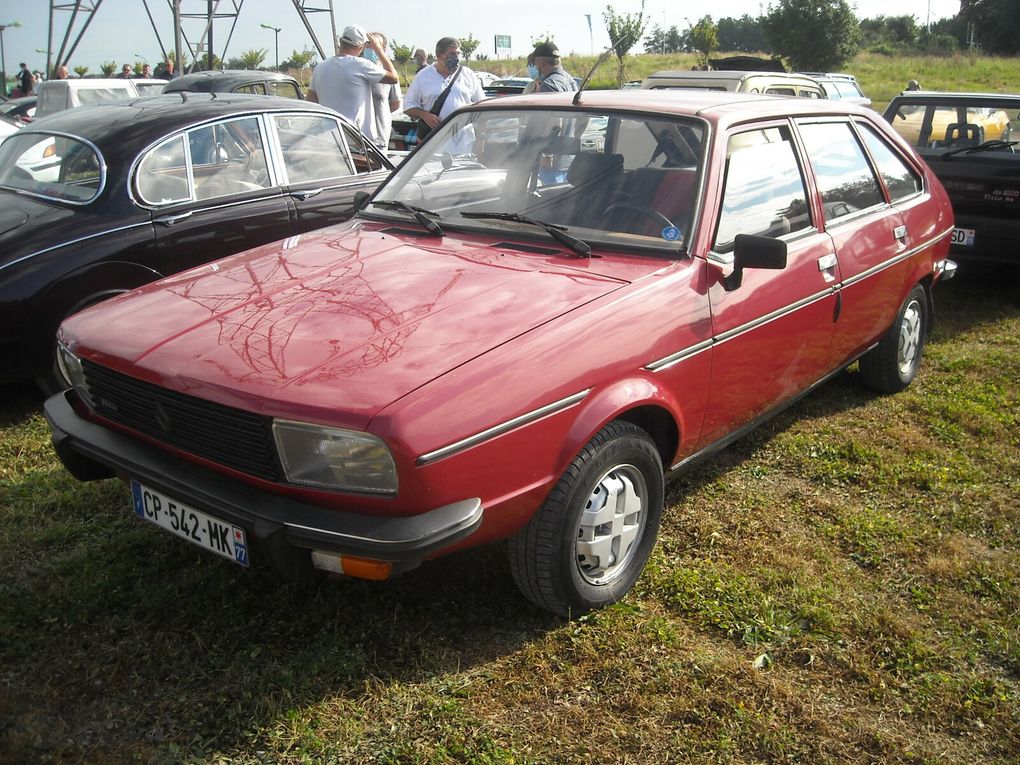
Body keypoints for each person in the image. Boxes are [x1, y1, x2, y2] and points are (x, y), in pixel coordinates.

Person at [306, 25, 399, 147]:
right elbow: (394, 77)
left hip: (329, 139)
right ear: (361, 47)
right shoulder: (361, 65)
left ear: (340, 42)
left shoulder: (320, 68)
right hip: (357, 141)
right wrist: (379, 51)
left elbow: (311, 101)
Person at [403, 36, 484, 150]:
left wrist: (481, 140)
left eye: (458, 54)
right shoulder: (423, 76)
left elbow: (481, 107)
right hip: (433, 146)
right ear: (440, 56)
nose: (456, 58)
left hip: (465, 145)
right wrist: (425, 115)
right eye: (452, 54)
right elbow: (408, 106)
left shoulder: (467, 74)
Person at [364, 32, 402, 151]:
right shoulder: (358, 68)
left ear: (383, 49)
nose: (370, 48)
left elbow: (395, 104)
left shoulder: (389, 73)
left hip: (379, 137)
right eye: (367, 44)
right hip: (357, 137)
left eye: (374, 45)